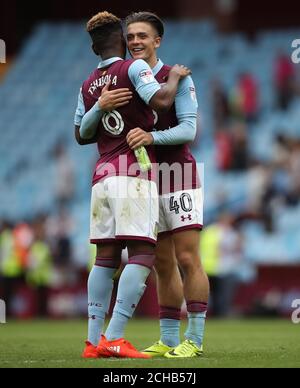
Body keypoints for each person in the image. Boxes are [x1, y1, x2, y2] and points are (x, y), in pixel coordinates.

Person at [74, 11, 190, 359]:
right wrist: (176, 77)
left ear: (94, 46)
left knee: (105, 257)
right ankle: (115, 336)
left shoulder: (87, 84)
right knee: (142, 253)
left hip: (101, 176)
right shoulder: (134, 68)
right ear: (124, 41)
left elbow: (81, 134)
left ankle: (93, 342)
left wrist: (98, 106)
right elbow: (163, 101)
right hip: (133, 173)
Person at [124, 12, 210, 358]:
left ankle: (197, 339)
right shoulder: (126, 78)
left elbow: (189, 130)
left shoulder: (179, 79)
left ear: (157, 41)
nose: (135, 42)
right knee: (161, 263)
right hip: (144, 180)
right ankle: (170, 339)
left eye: (142, 36)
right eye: (129, 37)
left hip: (178, 175)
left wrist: (151, 136)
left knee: (188, 257)